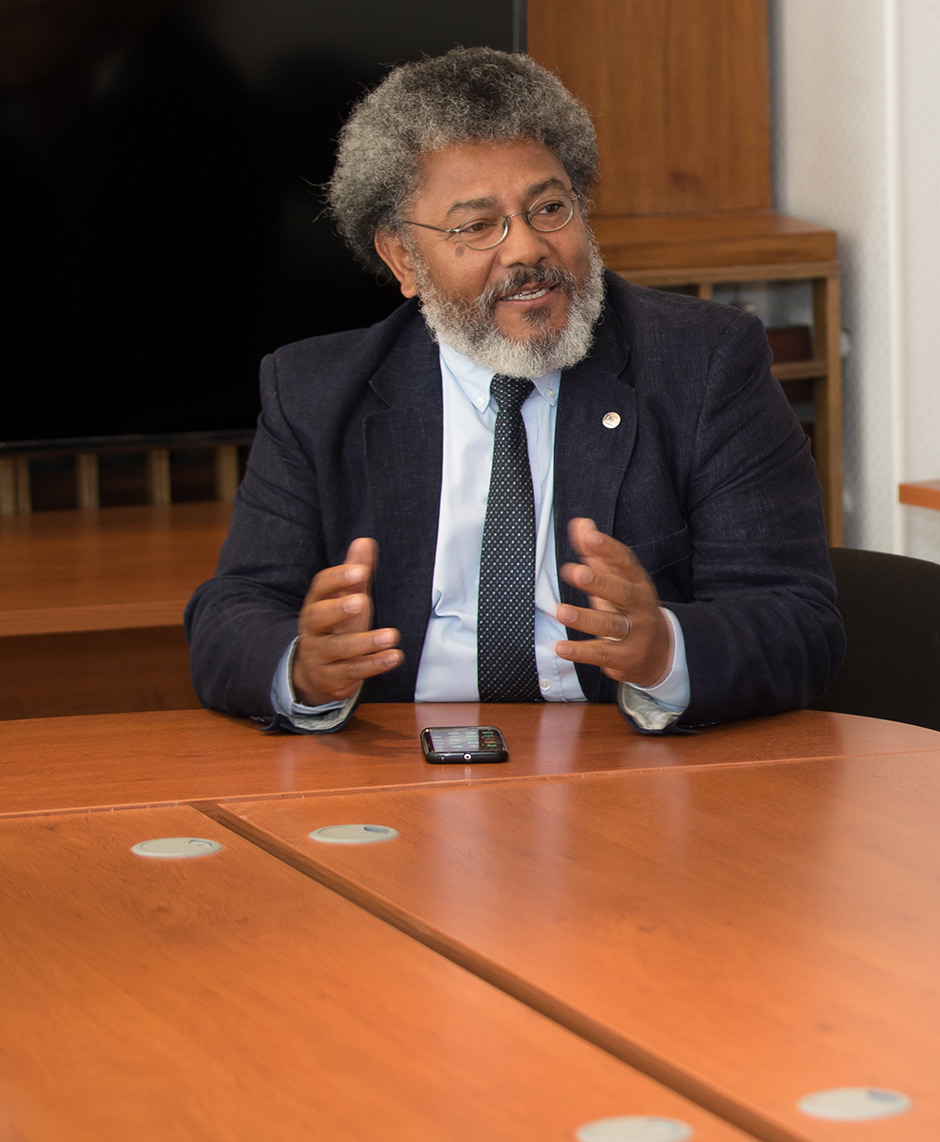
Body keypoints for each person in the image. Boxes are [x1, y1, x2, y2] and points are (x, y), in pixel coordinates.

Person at [186, 48, 842, 732]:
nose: (526, 249)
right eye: (477, 226)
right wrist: (304, 666)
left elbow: (799, 620)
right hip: (399, 757)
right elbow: (229, 618)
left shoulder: (702, 364)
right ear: (402, 258)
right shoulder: (315, 393)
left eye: (549, 208)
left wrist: (664, 652)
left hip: (619, 756)